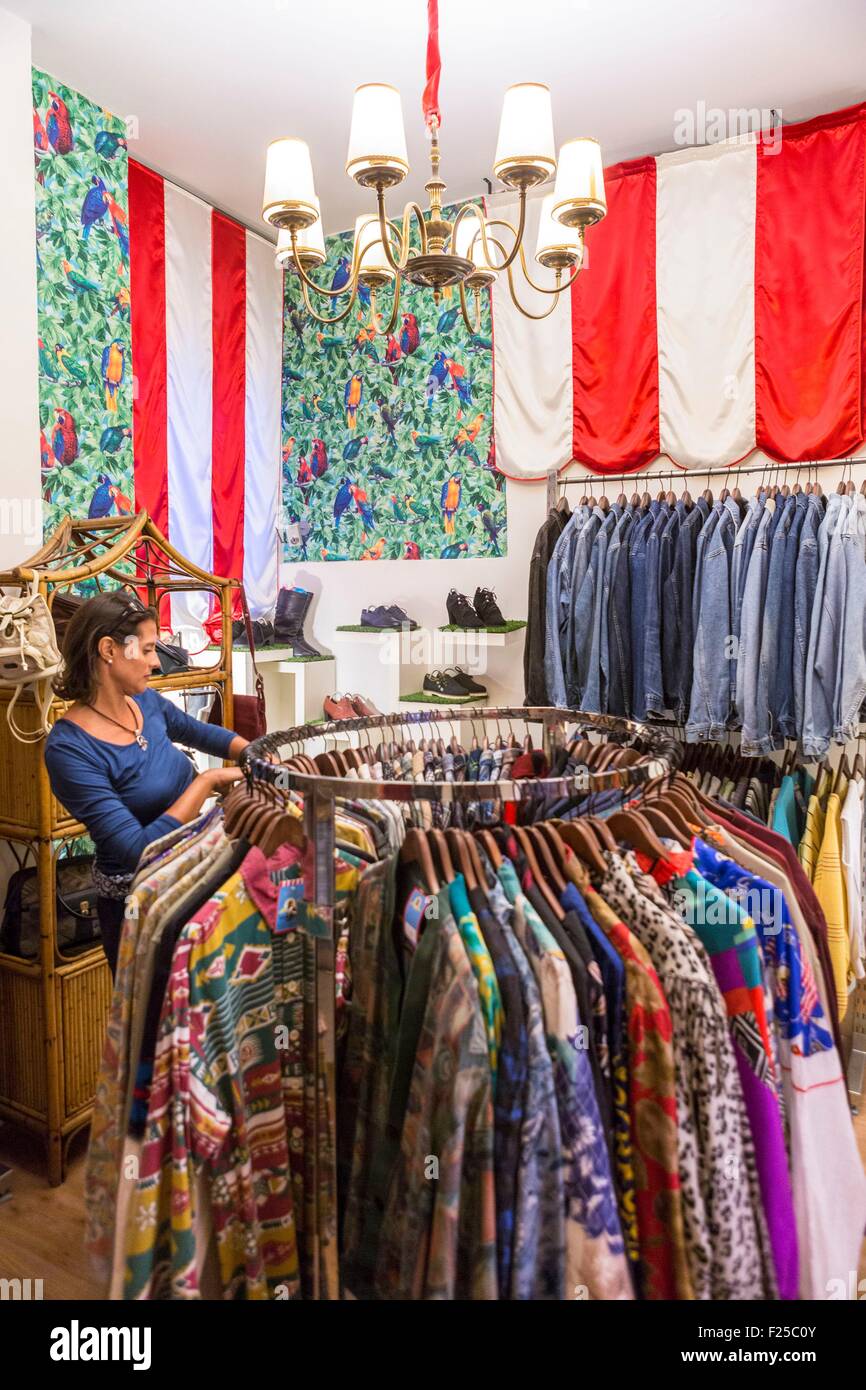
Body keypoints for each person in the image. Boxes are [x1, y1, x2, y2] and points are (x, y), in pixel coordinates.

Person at [44, 591, 248, 975]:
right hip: (138, 911)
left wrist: (254, 754)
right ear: (109, 650)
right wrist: (206, 781)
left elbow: (200, 732)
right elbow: (137, 851)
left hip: (191, 880)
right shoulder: (70, 749)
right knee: (158, 1026)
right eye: (150, 649)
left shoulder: (145, 704)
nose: (156, 662)